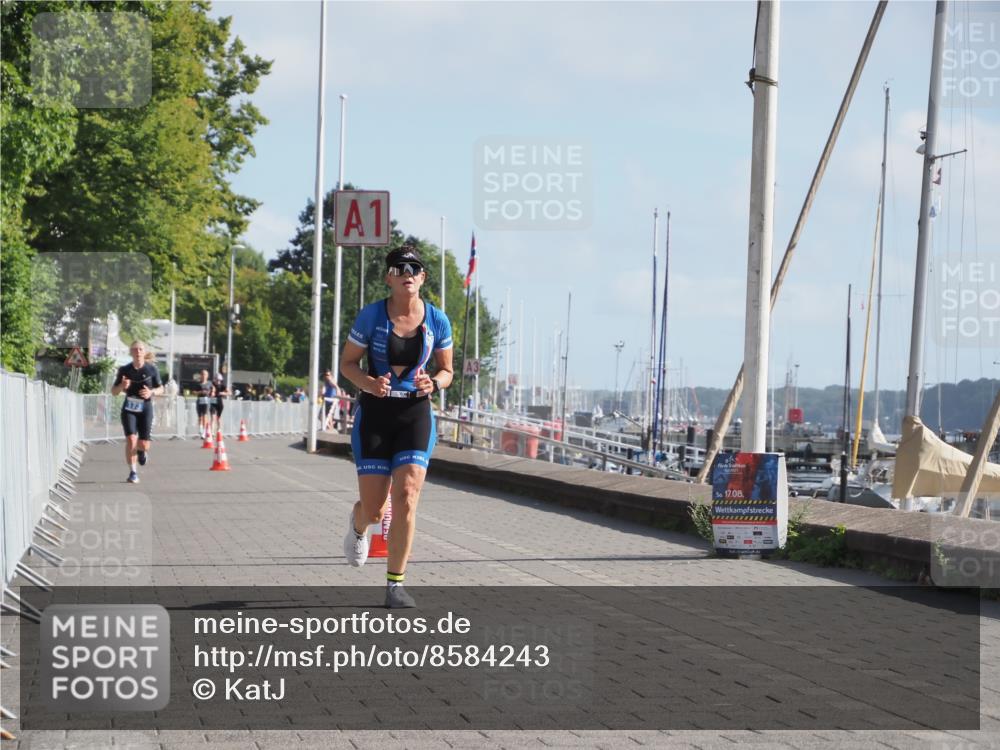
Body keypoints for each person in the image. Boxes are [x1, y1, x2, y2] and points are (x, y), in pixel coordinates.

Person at [340, 246, 454, 608]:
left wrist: (434, 383)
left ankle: (395, 585)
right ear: (389, 277)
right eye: (399, 267)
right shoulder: (371, 316)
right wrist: (368, 384)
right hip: (375, 413)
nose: (407, 272)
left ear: (422, 277)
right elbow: (347, 364)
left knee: (406, 496)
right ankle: (359, 525)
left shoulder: (437, 320)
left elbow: (447, 371)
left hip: (415, 414)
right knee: (375, 510)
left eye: (414, 267)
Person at [111, 340, 164, 483]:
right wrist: (122, 385)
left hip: (146, 408)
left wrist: (151, 392)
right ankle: (133, 472)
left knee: (143, 443)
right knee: (131, 439)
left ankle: (142, 452)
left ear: (144, 351)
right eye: (135, 349)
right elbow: (114, 392)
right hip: (129, 407)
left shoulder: (151, 369)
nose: (138, 352)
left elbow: (161, 388)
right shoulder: (124, 370)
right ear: (131, 352)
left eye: (140, 349)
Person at [194, 370, 214, 438]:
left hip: (206, 401)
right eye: (202, 374)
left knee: (205, 416)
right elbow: (194, 392)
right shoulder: (198, 384)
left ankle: (204, 432)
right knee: (200, 416)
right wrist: (201, 392)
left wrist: (212, 392)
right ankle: (200, 430)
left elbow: (213, 389)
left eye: (205, 374)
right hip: (199, 401)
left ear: (207, 376)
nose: (204, 376)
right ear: (201, 375)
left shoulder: (209, 383)